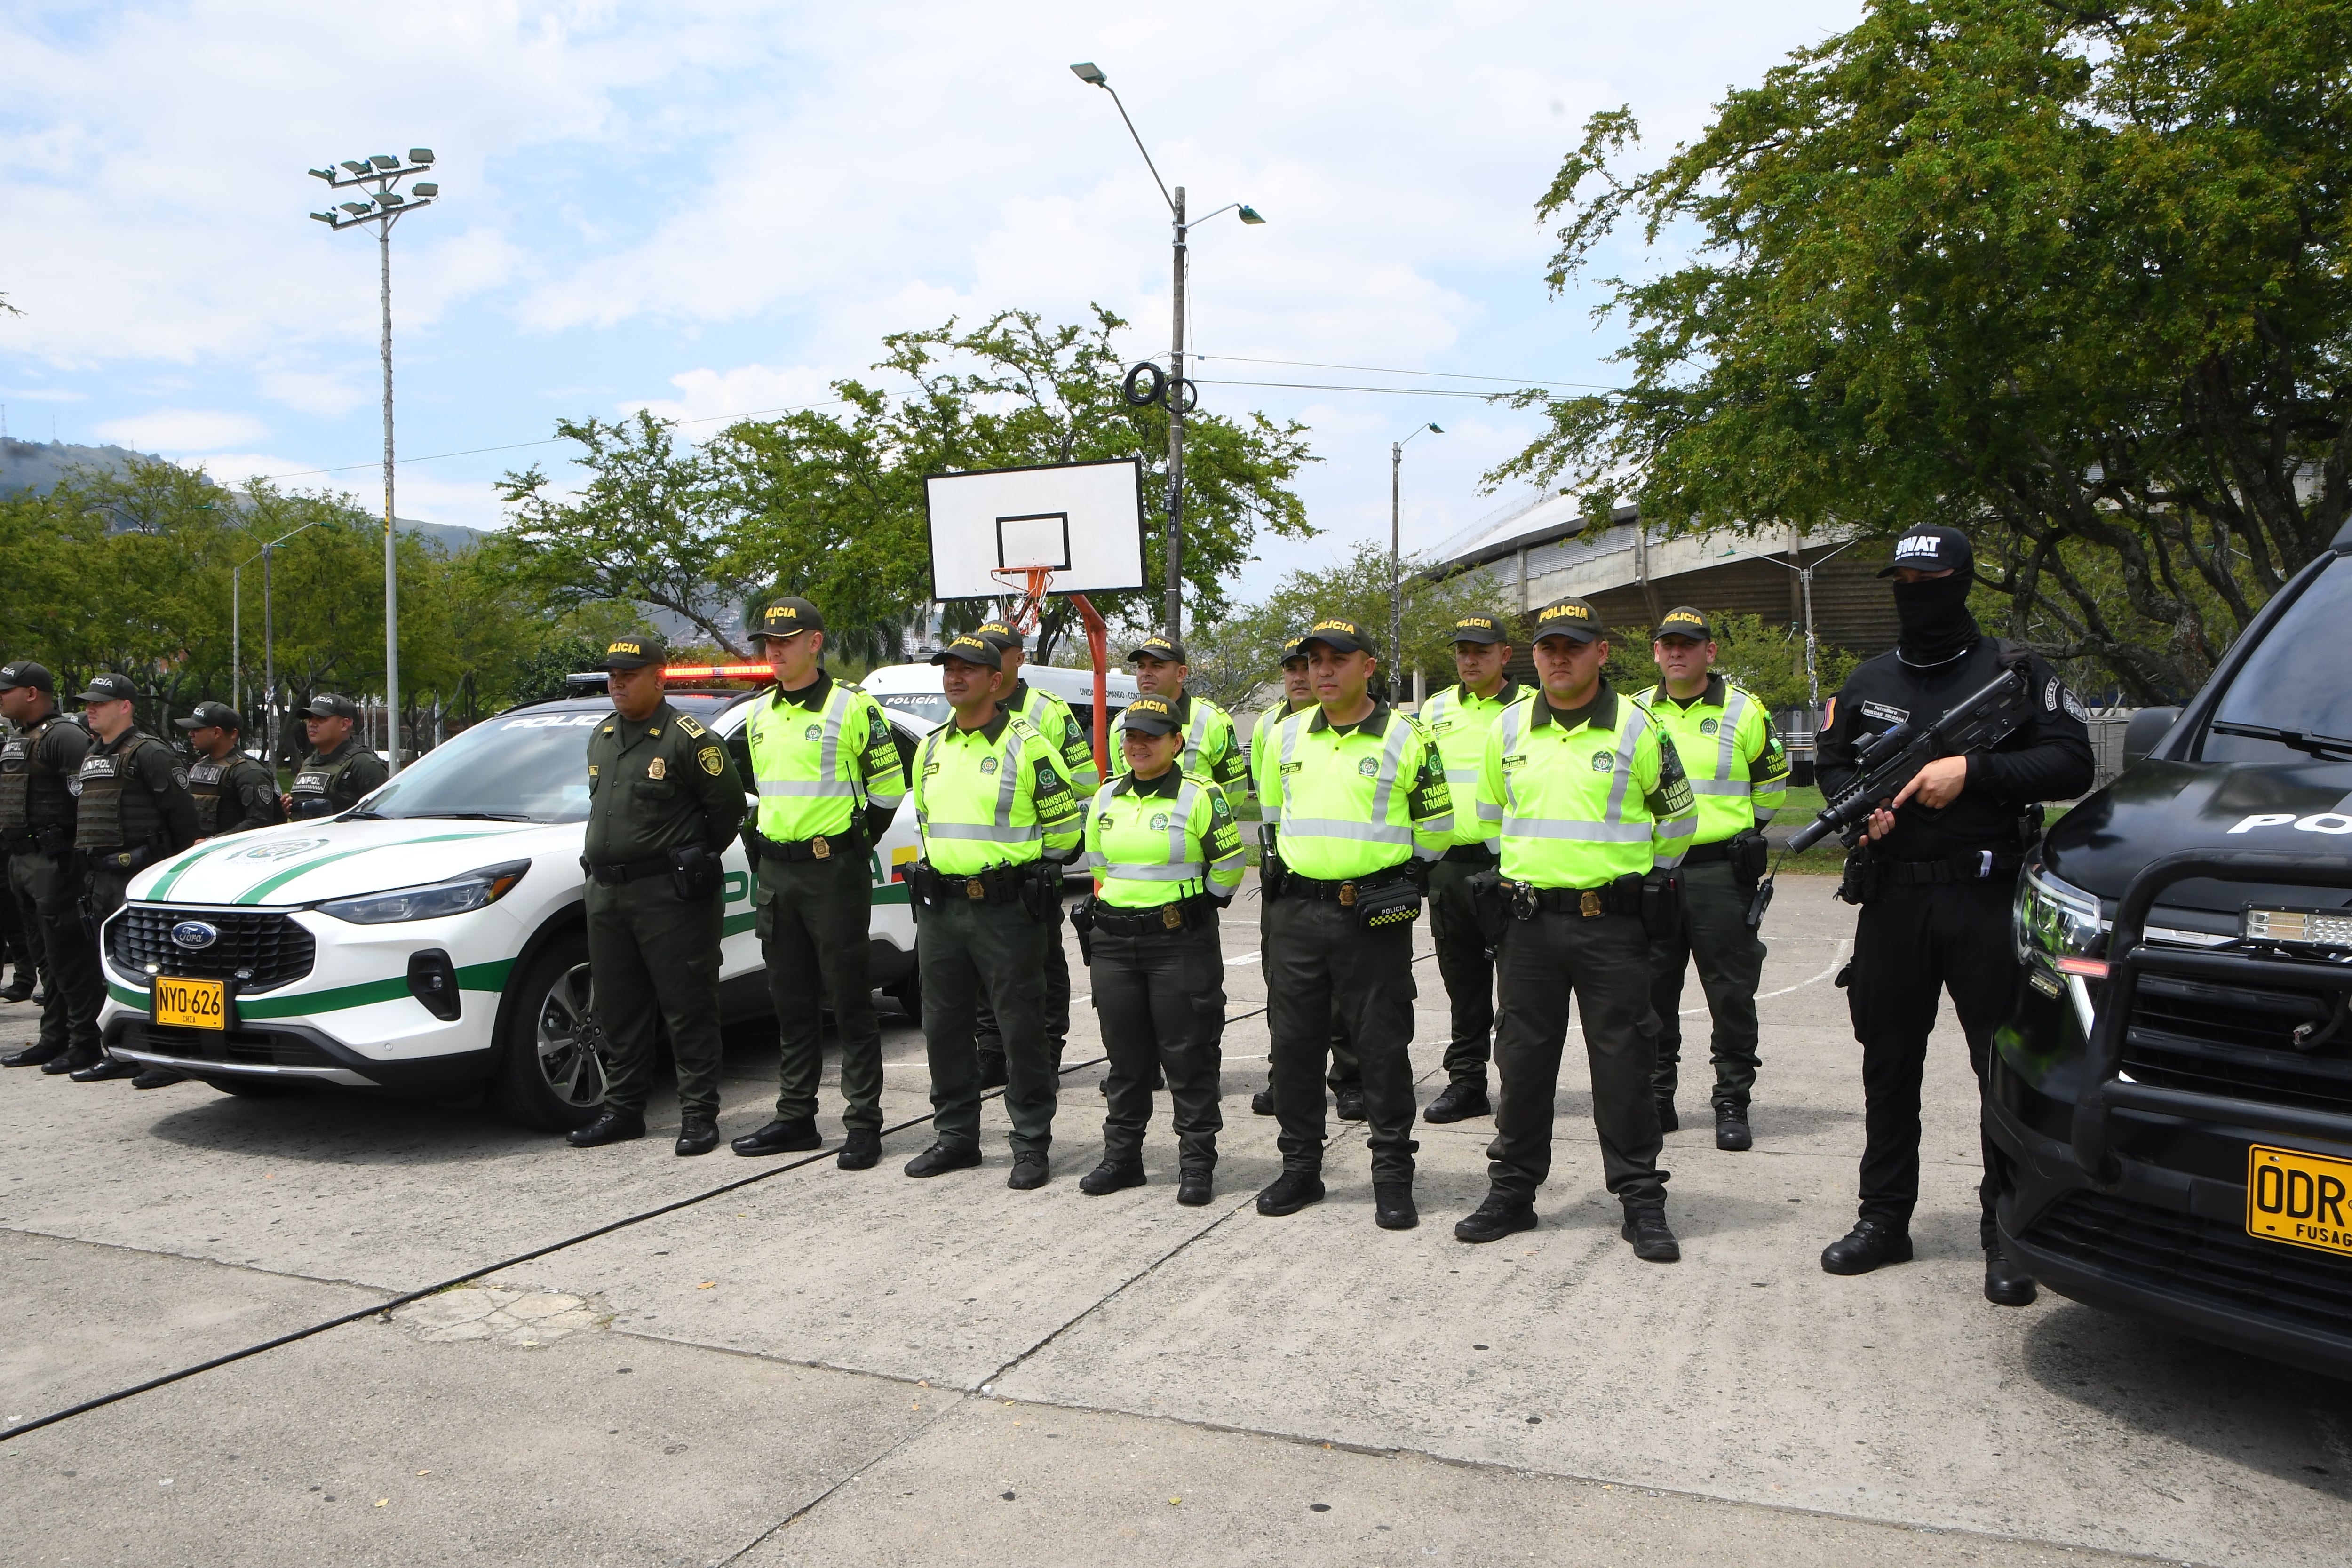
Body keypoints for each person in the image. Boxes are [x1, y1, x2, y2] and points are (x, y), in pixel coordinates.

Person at [1815, 525, 2093, 1307]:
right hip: (1894, 898)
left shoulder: (2014, 670)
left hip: (1984, 895)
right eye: (1903, 580)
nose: (1916, 591)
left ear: (1963, 581)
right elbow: (1833, 765)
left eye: (1930, 578)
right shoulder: (1867, 678)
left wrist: (1973, 770)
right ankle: (1884, 1217)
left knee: (1996, 1068)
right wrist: (1857, 816)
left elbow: (2074, 761)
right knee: (1889, 1062)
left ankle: (2005, 1231)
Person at [1453, 597, 1697, 1262]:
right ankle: (1513, 1192)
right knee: (1523, 1062)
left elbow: (1678, 820)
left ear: (1601, 653)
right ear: (1534, 657)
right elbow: (1487, 818)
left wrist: (1632, 878)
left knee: (1624, 1064)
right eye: (1548, 648)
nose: (1559, 658)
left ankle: (1642, 1198)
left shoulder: (1638, 728)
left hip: (1611, 926)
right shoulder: (1508, 729)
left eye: (1573, 646)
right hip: (1529, 928)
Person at [1256, 617, 1453, 1230]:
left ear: (1369, 666)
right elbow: (1271, 818)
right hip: (1296, 914)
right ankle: (1300, 1168)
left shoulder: (1408, 737)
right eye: (1314, 660)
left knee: (1381, 1048)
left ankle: (1392, 1174)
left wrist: (1384, 880)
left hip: (1371, 919)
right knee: (1293, 1046)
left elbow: (1438, 834)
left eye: (1338, 659)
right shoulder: (1284, 738)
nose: (1323, 670)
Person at [899, 633, 1083, 1188]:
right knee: (943, 1028)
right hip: (940, 912)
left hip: (1005, 912)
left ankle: (1030, 1142)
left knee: (1019, 1029)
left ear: (994, 680)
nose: (954, 678)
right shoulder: (931, 747)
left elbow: (1065, 835)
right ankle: (956, 1137)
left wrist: (1015, 877)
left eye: (967, 670)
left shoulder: (1029, 746)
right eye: (948, 669)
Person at [731, 597, 906, 1170]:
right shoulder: (758, 714)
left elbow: (887, 788)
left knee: (850, 1000)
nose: (773, 650)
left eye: (785, 640)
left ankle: (862, 1123)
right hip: (778, 874)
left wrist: (852, 844)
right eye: (767, 642)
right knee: (791, 1000)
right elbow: (753, 793)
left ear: (815, 643)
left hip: (834, 871)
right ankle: (796, 1117)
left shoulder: (851, 708)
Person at [568, 633, 747, 1155]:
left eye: (629, 674)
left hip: (669, 895)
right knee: (618, 1009)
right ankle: (623, 1110)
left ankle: (697, 1115)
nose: (617, 683)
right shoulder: (602, 735)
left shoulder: (688, 739)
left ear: (658, 677)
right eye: (613, 675)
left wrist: (686, 858)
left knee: (687, 1005)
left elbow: (729, 811)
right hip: (608, 893)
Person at [1073, 694, 1247, 1203]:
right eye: (1131, 736)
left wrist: (1189, 909)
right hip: (1114, 943)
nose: (1138, 745)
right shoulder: (1106, 798)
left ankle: (1195, 1165)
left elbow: (1229, 867)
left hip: (1178, 943)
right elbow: (1100, 866)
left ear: (1176, 742)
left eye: (1150, 736)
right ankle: (1122, 1159)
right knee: (1125, 1060)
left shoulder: (1200, 795)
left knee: (1187, 1056)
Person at [1635, 607, 1789, 1150]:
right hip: (1656, 873)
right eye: (1667, 644)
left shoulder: (1745, 711)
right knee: (1651, 991)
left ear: (1709, 652)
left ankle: (1731, 1101)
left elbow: (1770, 791)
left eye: (1687, 644)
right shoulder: (1635, 714)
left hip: (1719, 873)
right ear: (1655, 652)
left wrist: (1732, 836)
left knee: (1729, 991)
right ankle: (1657, 1097)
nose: (1675, 653)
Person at [969, 619, 1097, 1091]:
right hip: (982, 862)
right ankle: (990, 1052)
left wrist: (1036, 792)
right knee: (984, 966)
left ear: (1017, 659)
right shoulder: (966, 713)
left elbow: (1084, 778)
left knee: (1041, 962)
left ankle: (1046, 1051)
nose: (988, 659)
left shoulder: (1046, 711)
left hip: (1035, 860)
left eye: (997, 651)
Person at [1411, 613, 1523, 1124]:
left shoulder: (1530, 706)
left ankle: (1521, 1084)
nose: (1469, 660)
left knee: (1521, 984)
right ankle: (1466, 1081)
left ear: (1505, 654)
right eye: (1462, 651)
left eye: (1481, 650)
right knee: (1463, 982)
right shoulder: (1434, 709)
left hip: (1514, 865)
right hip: (1451, 869)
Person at [1246, 635, 1361, 1120]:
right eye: (1292, 668)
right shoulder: (1270, 730)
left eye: (1306, 667)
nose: (1300, 676)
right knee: (1286, 987)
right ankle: (1287, 1076)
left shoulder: (1353, 727)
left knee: (1345, 992)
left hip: (1346, 886)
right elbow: (1269, 813)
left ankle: (1350, 1078)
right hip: (1288, 886)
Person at [65, 672, 200, 1085]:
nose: (90, 708)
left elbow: (183, 817)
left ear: (125, 706)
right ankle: (124, 1049)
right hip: (101, 877)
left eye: (99, 702)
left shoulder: (150, 753)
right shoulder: (93, 754)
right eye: (88, 702)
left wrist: (173, 876)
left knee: (158, 968)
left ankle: (170, 1056)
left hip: (141, 875)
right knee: (113, 969)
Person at [0, 662, 95, 1073]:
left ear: (32, 692)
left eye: (7, 690)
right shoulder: (17, 738)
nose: (1, 697)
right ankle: (53, 1037)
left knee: (67, 956)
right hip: (21, 859)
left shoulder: (65, 736)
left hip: (54, 861)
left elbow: (86, 800)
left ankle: (84, 1039)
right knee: (44, 959)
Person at [1111, 636, 1249, 796]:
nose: (1146, 673)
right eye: (1141, 666)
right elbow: (1120, 787)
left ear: (1181, 674)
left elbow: (1234, 793)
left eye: (1157, 666)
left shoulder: (1211, 719)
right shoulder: (1121, 723)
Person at [175, 701, 286, 841]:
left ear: (217, 733)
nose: (190, 734)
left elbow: (260, 822)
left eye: (197, 729)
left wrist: (213, 842)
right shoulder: (201, 764)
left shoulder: (249, 772)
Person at [284, 694, 389, 820]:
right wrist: (289, 808)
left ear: (345, 724)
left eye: (321, 718)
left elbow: (383, 818)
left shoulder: (364, 765)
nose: (312, 724)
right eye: (310, 718)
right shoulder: (309, 763)